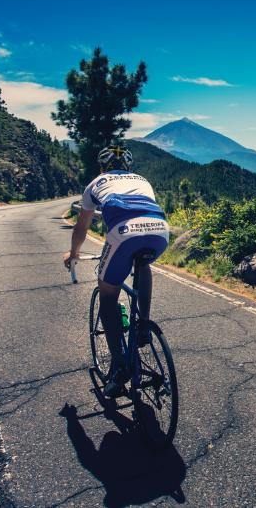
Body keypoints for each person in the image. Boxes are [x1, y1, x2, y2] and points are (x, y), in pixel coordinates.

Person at [63, 144, 170, 397]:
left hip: (123, 232)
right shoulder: (142, 180)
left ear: (102, 167)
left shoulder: (95, 183)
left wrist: (74, 253)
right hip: (160, 230)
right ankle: (143, 326)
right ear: (129, 167)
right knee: (143, 263)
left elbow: (82, 227)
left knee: (108, 296)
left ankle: (120, 366)